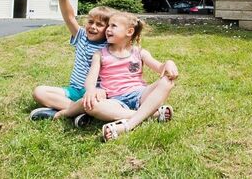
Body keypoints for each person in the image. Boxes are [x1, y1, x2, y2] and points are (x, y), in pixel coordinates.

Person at [57, 11, 178, 141]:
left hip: (140, 94)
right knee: (91, 106)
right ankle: (151, 113)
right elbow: (91, 78)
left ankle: (128, 125)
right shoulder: (100, 54)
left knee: (167, 81)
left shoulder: (139, 52)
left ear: (129, 32)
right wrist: (90, 90)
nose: (108, 29)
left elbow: (160, 67)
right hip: (115, 100)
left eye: (113, 26)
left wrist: (169, 63)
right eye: (108, 26)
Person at [30, 0, 113, 126]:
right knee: (39, 92)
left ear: (108, 30)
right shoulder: (81, 36)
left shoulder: (109, 46)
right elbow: (69, 17)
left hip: (95, 93)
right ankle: (77, 110)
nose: (93, 27)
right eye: (90, 22)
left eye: (99, 25)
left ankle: (66, 111)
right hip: (73, 91)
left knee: (98, 103)